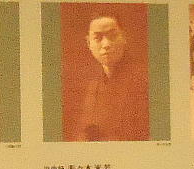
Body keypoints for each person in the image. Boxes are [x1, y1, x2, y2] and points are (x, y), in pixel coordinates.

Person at [64, 13, 149, 141]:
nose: (106, 44)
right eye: (98, 38)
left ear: (124, 37)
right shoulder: (91, 86)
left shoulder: (144, 81)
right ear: (89, 43)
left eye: (113, 36)